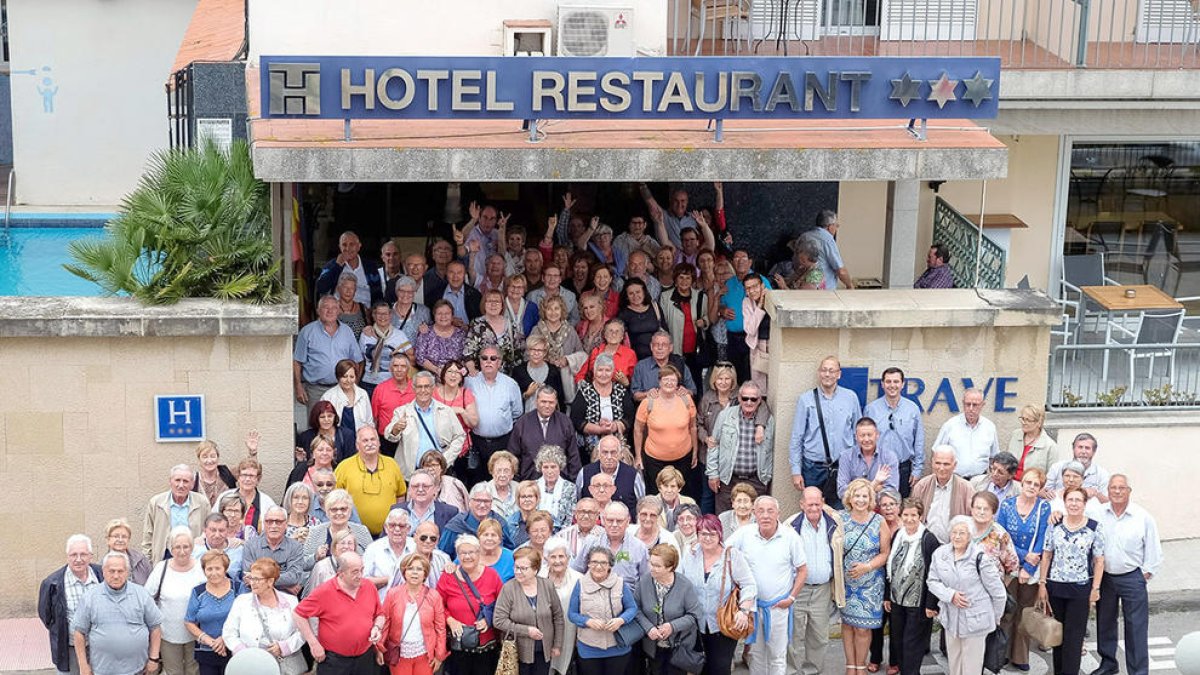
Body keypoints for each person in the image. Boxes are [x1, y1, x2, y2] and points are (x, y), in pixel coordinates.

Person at [725, 496, 808, 675]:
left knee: (777, 656)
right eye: (761, 511)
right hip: (753, 608)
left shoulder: (790, 536)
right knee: (756, 655)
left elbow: (802, 570)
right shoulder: (744, 534)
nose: (765, 515)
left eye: (770, 511)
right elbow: (723, 551)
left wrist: (791, 597)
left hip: (778, 607)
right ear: (754, 514)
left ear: (778, 513)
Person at [1092, 475, 1162, 675]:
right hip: (1105, 577)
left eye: (1122, 488)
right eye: (1113, 488)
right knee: (1105, 622)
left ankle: (1138, 671)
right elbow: (1074, 510)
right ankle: (1108, 664)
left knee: (1136, 627)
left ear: (1129, 491)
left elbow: (1153, 547)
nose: (1117, 491)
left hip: (1132, 577)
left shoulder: (1142, 516)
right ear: (1108, 490)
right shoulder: (1098, 513)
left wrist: (1146, 573)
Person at [1038, 487, 1107, 675]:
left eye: (1078, 500)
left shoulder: (1094, 527)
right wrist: (1042, 583)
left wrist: (1096, 588)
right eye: (1070, 500)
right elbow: (1047, 554)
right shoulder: (1055, 524)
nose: (1074, 504)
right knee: (1057, 635)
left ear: (1085, 504)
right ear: (1065, 502)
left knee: (1074, 637)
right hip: (1055, 586)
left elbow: (1099, 560)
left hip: (1080, 588)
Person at [926, 515, 1006, 675]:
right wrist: (950, 595)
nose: (956, 536)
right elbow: (932, 581)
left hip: (976, 620)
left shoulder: (980, 558)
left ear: (970, 536)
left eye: (962, 533)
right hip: (950, 618)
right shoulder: (940, 554)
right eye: (954, 532)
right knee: (954, 664)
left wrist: (995, 618)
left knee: (971, 667)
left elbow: (999, 593)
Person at [781, 487, 847, 675]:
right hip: (797, 589)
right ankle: (791, 670)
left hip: (823, 589)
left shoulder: (834, 523)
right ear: (802, 504)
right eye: (810, 504)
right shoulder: (790, 526)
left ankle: (812, 671)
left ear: (823, 502)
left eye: (817, 503)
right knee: (793, 634)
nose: (814, 507)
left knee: (819, 635)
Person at [681, 515, 756, 675]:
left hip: (723, 623)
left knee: (719, 668)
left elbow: (749, 584)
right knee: (699, 667)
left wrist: (744, 611)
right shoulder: (690, 554)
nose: (707, 538)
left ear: (720, 534)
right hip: (695, 623)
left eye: (712, 534)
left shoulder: (732, 555)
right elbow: (679, 582)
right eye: (703, 533)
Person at [996, 467, 1052, 672]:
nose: (1031, 487)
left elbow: (1043, 538)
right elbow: (1001, 535)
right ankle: (1000, 652)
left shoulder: (1043, 508)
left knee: (1025, 612)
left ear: (1040, 488)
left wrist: (1028, 566)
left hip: (1032, 570)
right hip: (1008, 566)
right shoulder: (1007, 505)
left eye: (1036, 484)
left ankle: (1019, 655)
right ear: (1022, 483)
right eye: (1028, 482)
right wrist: (1020, 556)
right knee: (1006, 611)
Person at [72, 552, 163, 675]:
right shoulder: (90, 597)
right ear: (103, 572)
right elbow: (79, 633)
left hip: (138, 670)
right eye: (111, 571)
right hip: (102, 670)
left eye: (120, 571)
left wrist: (153, 658)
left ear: (127, 572)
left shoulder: (141, 594)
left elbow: (155, 627)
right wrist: (83, 665)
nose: (116, 576)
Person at [295, 551, 386, 674]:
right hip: (335, 662)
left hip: (365, 658)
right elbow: (298, 614)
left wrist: (376, 627)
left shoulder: (369, 586)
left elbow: (380, 614)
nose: (360, 575)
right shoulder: (325, 591)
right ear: (341, 573)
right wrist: (313, 643)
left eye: (361, 570)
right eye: (355, 571)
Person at [789, 357, 862, 506]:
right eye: (824, 370)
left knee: (840, 512)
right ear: (819, 373)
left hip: (842, 467)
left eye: (831, 370)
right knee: (812, 511)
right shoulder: (806, 399)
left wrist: (857, 465)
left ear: (839, 374)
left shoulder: (851, 398)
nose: (827, 374)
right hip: (813, 468)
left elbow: (858, 434)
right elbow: (797, 437)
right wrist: (796, 471)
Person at [839, 478, 892, 675]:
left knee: (862, 628)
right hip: (846, 583)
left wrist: (867, 567)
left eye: (864, 496)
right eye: (857, 495)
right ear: (850, 498)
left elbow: (885, 553)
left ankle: (861, 665)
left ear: (870, 499)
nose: (860, 500)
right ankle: (850, 666)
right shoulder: (840, 518)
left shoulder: (879, 521)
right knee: (847, 624)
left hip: (870, 584)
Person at [883, 499, 941, 675]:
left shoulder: (929, 540)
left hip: (918, 603)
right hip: (897, 599)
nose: (909, 519)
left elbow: (935, 574)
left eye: (913, 515)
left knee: (912, 644)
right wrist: (887, 595)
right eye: (905, 515)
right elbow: (890, 567)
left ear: (921, 516)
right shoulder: (898, 535)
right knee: (898, 641)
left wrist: (931, 604)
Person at [223, 557, 306, 674]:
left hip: (284, 666)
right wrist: (245, 654)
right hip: (250, 666)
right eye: (251, 578)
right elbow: (229, 632)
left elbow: (303, 631)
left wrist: (284, 647)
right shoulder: (241, 601)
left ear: (270, 581)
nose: (252, 583)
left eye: (257, 579)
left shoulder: (291, 601)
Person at [569, 545, 640, 675]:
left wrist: (621, 620)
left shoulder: (620, 583)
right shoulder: (580, 584)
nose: (598, 566)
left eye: (603, 562)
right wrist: (587, 621)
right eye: (594, 562)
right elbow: (572, 614)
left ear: (610, 565)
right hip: (589, 647)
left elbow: (632, 608)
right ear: (588, 564)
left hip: (617, 647)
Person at [144, 528, 206, 675]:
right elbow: (146, 598)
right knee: (173, 672)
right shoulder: (161, 568)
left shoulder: (201, 568)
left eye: (186, 546)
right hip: (168, 634)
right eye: (177, 547)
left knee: (194, 671)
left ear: (192, 547)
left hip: (196, 634)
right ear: (170, 548)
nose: (182, 551)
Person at [438, 534, 504, 672]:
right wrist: (450, 620)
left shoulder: (492, 575)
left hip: (487, 647)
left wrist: (489, 619)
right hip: (459, 646)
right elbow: (437, 606)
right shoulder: (448, 576)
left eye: (471, 552)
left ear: (479, 553)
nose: (467, 557)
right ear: (457, 555)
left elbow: (503, 604)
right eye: (463, 553)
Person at [294, 295, 365, 423]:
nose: (330, 311)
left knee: (343, 425)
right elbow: (297, 361)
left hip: (342, 387)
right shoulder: (307, 332)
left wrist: (354, 385)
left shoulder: (347, 331)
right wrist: (298, 386)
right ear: (318, 310)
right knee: (317, 425)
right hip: (316, 390)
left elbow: (357, 361)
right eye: (326, 307)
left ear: (339, 311)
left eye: (334, 308)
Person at [634, 544, 703, 675]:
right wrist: (649, 628)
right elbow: (636, 609)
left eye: (657, 566)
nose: (652, 568)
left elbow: (694, 615)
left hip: (678, 647)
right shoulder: (644, 582)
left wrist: (672, 626)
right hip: (652, 646)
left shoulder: (684, 585)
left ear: (670, 567)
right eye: (651, 563)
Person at [495, 548, 565, 675]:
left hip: (543, 650)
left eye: (523, 568)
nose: (518, 572)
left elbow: (558, 616)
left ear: (535, 569)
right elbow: (499, 621)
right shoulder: (508, 588)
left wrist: (557, 644)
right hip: (518, 652)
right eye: (516, 567)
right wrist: (526, 631)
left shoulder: (547, 585)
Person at [706, 381, 774, 513]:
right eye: (745, 398)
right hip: (728, 479)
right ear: (739, 398)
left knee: (755, 521)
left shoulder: (768, 421)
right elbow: (714, 445)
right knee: (725, 518)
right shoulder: (725, 416)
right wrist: (713, 474)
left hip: (756, 479)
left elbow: (771, 450)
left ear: (759, 400)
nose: (749, 402)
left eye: (753, 399)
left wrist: (767, 476)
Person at [384, 370, 467, 477]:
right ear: (413, 388)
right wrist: (396, 428)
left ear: (433, 388)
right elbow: (389, 436)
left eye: (427, 386)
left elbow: (460, 436)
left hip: (439, 471)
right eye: (419, 387)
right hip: (412, 473)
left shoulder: (446, 411)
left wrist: (445, 459)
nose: (423, 390)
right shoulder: (402, 411)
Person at [38, 534, 101, 675]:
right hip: (69, 648)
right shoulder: (51, 583)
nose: (78, 559)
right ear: (67, 556)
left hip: (100, 646)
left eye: (83, 554)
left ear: (91, 556)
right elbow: (46, 617)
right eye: (74, 554)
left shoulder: (102, 575)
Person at [464, 344, 524, 486]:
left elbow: (517, 412)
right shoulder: (469, 382)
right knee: (478, 483)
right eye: (484, 358)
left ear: (500, 362)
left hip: (503, 442)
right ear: (479, 361)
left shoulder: (511, 384)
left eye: (493, 358)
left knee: (502, 482)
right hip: (477, 442)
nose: (488, 361)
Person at [379, 553, 448, 675]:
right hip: (399, 654)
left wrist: (439, 655)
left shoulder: (434, 595)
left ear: (425, 574)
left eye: (419, 569)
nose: (414, 572)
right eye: (410, 568)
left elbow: (440, 628)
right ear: (404, 572)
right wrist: (380, 648)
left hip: (425, 655)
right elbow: (385, 622)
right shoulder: (392, 594)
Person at [632, 364, 698, 492]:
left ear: (678, 383)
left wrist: (695, 452)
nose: (669, 383)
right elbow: (638, 430)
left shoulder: (686, 400)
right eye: (666, 379)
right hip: (654, 460)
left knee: (681, 493)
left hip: (683, 458)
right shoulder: (648, 402)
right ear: (659, 381)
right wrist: (638, 456)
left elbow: (693, 427)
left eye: (673, 380)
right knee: (656, 494)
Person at [863, 367, 924, 497]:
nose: (892, 385)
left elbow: (919, 441)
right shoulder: (871, 410)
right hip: (876, 467)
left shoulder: (912, 410)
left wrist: (917, 470)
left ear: (902, 384)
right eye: (888, 381)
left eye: (896, 382)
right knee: (875, 507)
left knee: (898, 508)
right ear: (882, 384)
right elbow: (863, 440)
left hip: (903, 469)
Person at [336, 426, 407, 537]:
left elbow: (400, 496)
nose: (370, 443)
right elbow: (335, 499)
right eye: (365, 440)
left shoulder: (392, 464)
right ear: (357, 445)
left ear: (379, 443)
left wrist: (396, 521)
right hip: (353, 534)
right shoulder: (344, 467)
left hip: (389, 533)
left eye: (373, 439)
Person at [571, 502, 649, 594]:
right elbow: (575, 573)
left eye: (619, 521)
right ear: (603, 520)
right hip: (595, 599)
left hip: (627, 600)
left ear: (628, 521)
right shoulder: (591, 543)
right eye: (610, 520)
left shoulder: (639, 547)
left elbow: (646, 582)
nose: (614, 524)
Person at [142, 464, 212, 565]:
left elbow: (209, 530)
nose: (181, 485)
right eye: (177, 480)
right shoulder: (156, 503)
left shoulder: (202, 502)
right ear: (170, 481)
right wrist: (147, 563)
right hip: (164, 555)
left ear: (192, 484)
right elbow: (148, 536)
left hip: (193, 555)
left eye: (186, 481)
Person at [184, 551, 239, 675]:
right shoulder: (198, 592)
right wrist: (210, 641)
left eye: (218, 568)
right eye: (209, 569)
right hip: (206, 651)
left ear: (225, 568)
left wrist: (225, 638)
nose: (213, 573)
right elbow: (189, 621)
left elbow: (245, 618)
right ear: (204, 571)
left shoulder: (237, 588)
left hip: (234, 649)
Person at [509, 387, 582, 481]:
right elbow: (513, 456)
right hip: (529, 481)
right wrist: (517, 483)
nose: (547, 406)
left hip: (559, 481)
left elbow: (573, 455)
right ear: (536, 402)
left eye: (551, 402)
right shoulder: (523, 423)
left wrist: (573, 482)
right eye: (543, 402)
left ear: (556, 403)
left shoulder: (565, 422)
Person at [571, 355, 636, 456]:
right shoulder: (585, 391)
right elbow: (576, 420)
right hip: (590, 446)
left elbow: (630, 417)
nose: (604, 374)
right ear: (594, 371)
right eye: (600, 370)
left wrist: (614, 426)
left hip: (618, 443)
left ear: (613, 372)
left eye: (608, 370)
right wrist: (599, 429)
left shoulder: (620, 390)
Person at [659, 263, 710, 389]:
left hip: (695, 348)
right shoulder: (666, 297)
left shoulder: (701, 296)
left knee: (696, 382)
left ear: (693, 280)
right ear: (675, 279)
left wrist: (704, 322)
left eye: (688, 278)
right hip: (675, 348)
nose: (684, 281)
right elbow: (662, 323)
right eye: (681, 277)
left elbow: (707, 317)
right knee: (676, 381)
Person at [528, 294, 587, 399]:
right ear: (544, 311)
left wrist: (567, 360)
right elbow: (527, 355)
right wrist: (543, 360)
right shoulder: (536, 330)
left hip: (566, 379)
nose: (553, 312)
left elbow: (582, 355)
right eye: (549, 309)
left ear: (562, 310)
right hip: (543, 378)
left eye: (556, 308)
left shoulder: (570, 331)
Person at [932, 388, 999, 479]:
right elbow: (936, 453)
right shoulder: (950, 425)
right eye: (968, 404)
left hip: (980, 481)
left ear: (982, 405)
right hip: (955, 479)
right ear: (963, 403)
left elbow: (994, 458)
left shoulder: (990, 427)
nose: (971, 409)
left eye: (975, 405)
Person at [912, 446, 975, 543]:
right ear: (932, 463)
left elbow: (972, 520)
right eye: (938, 463)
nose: (941, 468)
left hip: (953, 546)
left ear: (955, 465)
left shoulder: (966, 489)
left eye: (946, 464)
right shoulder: (921, 486)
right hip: (924, 545)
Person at [242, 507, 307, 595]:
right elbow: (249, 577)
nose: (274, 526)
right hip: (256, 596)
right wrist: (285, 585)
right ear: (264, 523)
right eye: (269, 521)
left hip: (285, 598)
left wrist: (260, 579)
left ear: (286, 524)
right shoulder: (250, 546)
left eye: (278, 522)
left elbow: (294, 576)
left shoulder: (295, 547)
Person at [541, 537, 583, 674]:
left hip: (570, 634)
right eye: (553, 557)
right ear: (546, 558)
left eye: (561, 556)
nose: (557, 561)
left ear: (568, 558)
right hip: (543, 634)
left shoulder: (579, 579)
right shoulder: (538, 577)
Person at [576, 434, 645, 514]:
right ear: (599, 453)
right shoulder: (585, 473)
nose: (609, 457)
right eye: (605, 452)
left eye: (613, 452)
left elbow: (641, 504)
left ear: (620, 453)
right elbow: (578, 500)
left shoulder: (633, 476)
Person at [305, 489, 374, 568]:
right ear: (327, 512)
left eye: (343, 509)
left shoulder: (362, 531)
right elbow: (303, 564)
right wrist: (315, 557)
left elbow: (374, 558)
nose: (339, 513)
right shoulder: (315, 532)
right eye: (334, 509)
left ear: (350, 511)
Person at [464, 289, 524, 373]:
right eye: (489, 301)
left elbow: (519, 353)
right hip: (482, 376)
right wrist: (473, 371)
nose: (493, 304)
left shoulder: (512, 325)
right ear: (484, 304)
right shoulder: (477, 324)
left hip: (507, 377)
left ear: (502, 305)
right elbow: (468, 353)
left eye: (497, 301)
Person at [370, 350, 416, 457]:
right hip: (386, 441)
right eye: (395, 366)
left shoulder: (416, 388)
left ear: (408, 369)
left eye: (403, 366)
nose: (399, 370)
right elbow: (374, 419)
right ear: (390, 369)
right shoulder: (380, 389)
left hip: (409, 440)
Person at [315, 231, 382, 306]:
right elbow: (321, 288)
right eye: (344, 245)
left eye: (351, 244)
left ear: (359, 246)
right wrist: (337, 266)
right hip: (339, 312)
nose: (348, 248)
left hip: (366, 312)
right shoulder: (332, 264)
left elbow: (378, 294)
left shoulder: (370, 266)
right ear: (340, 247)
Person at [440, 484, 510, 556]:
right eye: (478, 500)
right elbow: (442, 554)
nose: (482, 505)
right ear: (470, 502)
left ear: (491, 503)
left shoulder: (500, 523)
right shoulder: (456, 524)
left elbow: (509, 550)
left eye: (486, 501)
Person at [838, 417, 901, 497]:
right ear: (856, 437)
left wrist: (855, 489)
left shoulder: (889, 457)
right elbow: (842, 492)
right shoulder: (846, 457)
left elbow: (892, 492)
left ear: (877, 435)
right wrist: (875, 484)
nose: (866, 439)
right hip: (854, 507)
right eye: (862, 435)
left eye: (870, 435)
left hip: (880, 507)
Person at [630, 329, 697, 400]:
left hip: (675, 408)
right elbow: (635, 395)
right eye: (656, 345)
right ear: (651, 347)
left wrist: (686, 391)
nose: (660, 348)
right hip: (650, 408)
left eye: (664, 345)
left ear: (670, 348)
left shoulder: (680, 364)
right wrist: (647, 394)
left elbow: (693, 391)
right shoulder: (641, 366)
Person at [364, 509, 414, 602]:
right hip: (381, 606)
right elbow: (363, 581)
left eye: (402, 526)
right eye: (392, 525)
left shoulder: (416, 547)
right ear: (386, 528)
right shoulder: (373, 548)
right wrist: (390, 579)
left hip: (410, 606)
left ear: (408, 529)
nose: (397, 529)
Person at [1045, 432, 1110, 503]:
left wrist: (1096, 494)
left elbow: (1108, 502)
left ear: (1094, 452)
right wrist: (1046, 493)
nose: (1083, 451)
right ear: (1073, 449)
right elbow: (1044, 491)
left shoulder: (1102, 474)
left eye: (1087, 448)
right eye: (1080, 447)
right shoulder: (1057, 467)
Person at [219, 457, 278, 533]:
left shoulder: (267, 502)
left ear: (258, 479)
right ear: (238, 477)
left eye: (251, 476)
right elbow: (214, 522)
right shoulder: (225, 497)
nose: (247, 479)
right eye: (244, 475)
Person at [801, 209, 855, 290]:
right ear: (830, 226)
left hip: (802, 286)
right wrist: (850, 285)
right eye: (836, 225)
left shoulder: (804, 236)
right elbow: (841, 271)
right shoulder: (827, 240)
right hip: (823, 291)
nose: (836, 229)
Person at [394, 468, 460, 532]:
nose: (420, 489)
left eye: (425, 486)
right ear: (409, 490)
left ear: (435, 489)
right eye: (415, 486)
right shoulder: (396, 510)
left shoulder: (450, 513)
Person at [321, 359, 375, 435]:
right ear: (338, 376)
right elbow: (323, 423)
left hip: (359, 440)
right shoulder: (328, 396)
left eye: (352, 377)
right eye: (344, 376)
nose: (348, 380)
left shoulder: (363, 394)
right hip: (337, 440)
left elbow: (369, 421)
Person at [577, 318, 638, 385]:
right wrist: (583, 388)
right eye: (610, 331)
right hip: (596, 390)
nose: (614, 334)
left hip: (619, 391)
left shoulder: (630, 354)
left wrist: (626, 382)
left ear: (622, 336)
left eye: (617, 331)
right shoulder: (596, 351)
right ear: (605, 335)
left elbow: (636, 382)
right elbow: (580, 375)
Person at [617, 277, 665, 361]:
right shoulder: (623, 314)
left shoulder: (655, 307)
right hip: (634, 358)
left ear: (644, 292)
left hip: (658, 356)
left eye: (638, 292)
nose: (635, 296)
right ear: (626, 296)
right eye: (631, 293)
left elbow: (665, 330)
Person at [296, 401, 356, 468]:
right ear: (316, 418)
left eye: (330, 416)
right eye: (322, 417)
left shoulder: (347, 435)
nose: (326, 420)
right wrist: (302, 460)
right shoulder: (306, 437)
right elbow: (303, 465)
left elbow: (351, 462)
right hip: (314, 476)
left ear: (335, 417)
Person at [513, 338, 567, 411]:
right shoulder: (519, 371)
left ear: (545, 353)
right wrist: (526, 394)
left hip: (550, 418)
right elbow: (513, 400)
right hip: (526, 418)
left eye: (540, 350)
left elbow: (560, 398)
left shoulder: (553, 371)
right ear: (528, 351)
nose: (536, 353)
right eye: (533, 350)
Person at [1006, 405, 1058, 481]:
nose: (1024, 423)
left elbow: (1052, 476)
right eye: (1023, 419)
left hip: (1032, 487)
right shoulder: (1015, 435)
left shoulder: (1050, 446)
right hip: (1010, 483)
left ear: (1039, 423)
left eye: (1028, 420)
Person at [414, 299, 468, 373]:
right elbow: (420, 357)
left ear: (452, 316)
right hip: (431, 375)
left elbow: (465, 357)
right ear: (434, 315)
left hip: (454, 375)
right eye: (439, 313)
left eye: (447, 313)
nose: (443, 316)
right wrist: (437, 370)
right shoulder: (425, 332)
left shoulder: (460, 334)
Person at [638, 183, 697, 248]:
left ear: (687, 202)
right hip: (670, 254)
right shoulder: (662, 215)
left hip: (693, 255)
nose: (679, 204)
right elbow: (649, 201)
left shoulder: (694, 217)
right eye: (676, 201)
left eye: (683, 201)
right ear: (670, 200)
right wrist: (642, 184)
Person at [304, 530, 360, 598]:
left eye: (350, 543)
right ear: (335, 547)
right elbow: (312, 596)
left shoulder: (360, 566)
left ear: (354, 547)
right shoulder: (321, 566)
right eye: (342, 543)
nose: (346, 546)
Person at [742, 272, 771, 394]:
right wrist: (759, 306)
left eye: (755, 286)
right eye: (748, 288)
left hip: (773, 344)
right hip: (757, 345)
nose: (752, 291)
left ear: (762, 286)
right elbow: (750, 329)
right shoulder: (747, 302)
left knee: (774, 381)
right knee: (759, 385)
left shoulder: (772, 298)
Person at [405, 521, 454, 590]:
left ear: (437, 541)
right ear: (415, 537)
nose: (428, 541)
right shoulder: (405, 561)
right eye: (423, 537)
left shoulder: (444, 559)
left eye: (433, 538)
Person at [420, 449, 470, 513]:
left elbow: (468, 506)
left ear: (441, 468)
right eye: (427, 466)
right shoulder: (417, 485)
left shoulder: (454, 483)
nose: (430, 469)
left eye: (434, 465)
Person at [191, 440, 238, 508]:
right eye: (205, 457)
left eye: (212, 456)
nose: (209, 460)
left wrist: (252, 453)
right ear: (199, 460)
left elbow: (250, 472)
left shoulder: (228, 473)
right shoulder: (193, 481)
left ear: (218, 458)